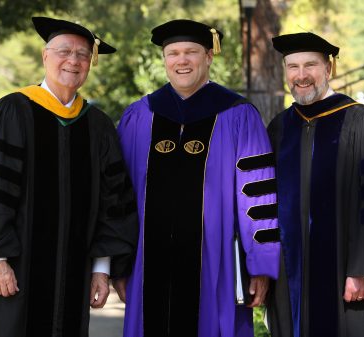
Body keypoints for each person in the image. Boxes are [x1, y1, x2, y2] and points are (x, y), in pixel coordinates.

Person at [0, 16, 138, 337]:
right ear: (45, 56)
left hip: (73, 273)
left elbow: (112, 203)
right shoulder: (11, 111)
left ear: (91, 63)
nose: (73, 61)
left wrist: (101, 270)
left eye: (82, 55)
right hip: (12, 269)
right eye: (64, 51)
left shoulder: (97, 125)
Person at [114, 19, 280, 337]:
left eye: (191, 51)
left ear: (208, 57)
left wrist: (259, 265)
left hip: (215, 265)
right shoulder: (139, 116)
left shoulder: (238, 115)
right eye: (173, 53)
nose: (182, 60)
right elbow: (120, 196)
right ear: (164, 60)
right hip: (148, 268)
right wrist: (120, 264)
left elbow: (257, 197)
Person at [266, 32, 364, 337]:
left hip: (346, 273)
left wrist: (363, 269)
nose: (301, 75)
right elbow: (263, 204)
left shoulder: (358, 120)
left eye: (310, 65)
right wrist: (263, 268)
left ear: (328, 69)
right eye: (293, 67)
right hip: (287, 274)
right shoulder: (279, 127)